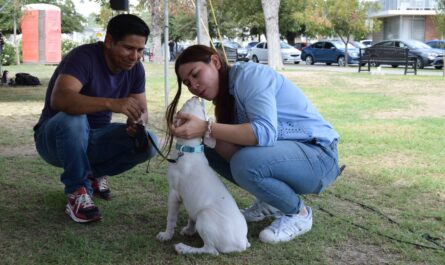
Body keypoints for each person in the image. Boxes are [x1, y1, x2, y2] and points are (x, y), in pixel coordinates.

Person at [165, 45, 340, 244]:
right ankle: (272, 202)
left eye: (196, 74)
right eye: (187, 83)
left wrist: (206, 127)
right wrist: (196, 134)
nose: (193, 86)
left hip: (320, 157)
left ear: (215, 62)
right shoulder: (226, 96)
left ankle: (299, 214)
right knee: (209, 148)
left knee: (243, 160)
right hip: (291, 158)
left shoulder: (249, 76)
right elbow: (233, 153)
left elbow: (264, 133)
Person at [34, 14, 157, 223]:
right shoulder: (83, 57)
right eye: (128, 48)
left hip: (94, 138)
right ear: (109, 41)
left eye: (140, 50)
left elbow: (142, 109)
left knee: (149, 142)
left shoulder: (135, 69)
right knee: (74, 119)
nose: (134, 56)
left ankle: (91, 175)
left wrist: (137, 122)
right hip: (54, 140)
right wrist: (111, 103)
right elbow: (61, 98)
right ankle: (77, 190)